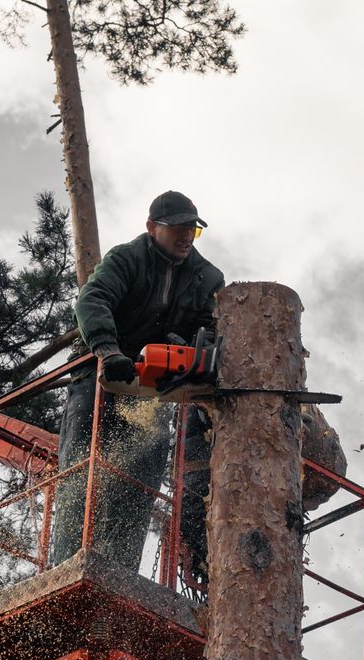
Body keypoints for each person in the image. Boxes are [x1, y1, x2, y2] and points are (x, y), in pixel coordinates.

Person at [53, 191, 224, 576]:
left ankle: (119, 572)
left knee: (140, 477)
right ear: (152, 228)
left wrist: (190, 349)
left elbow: (213, 329)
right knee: (82, 466)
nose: (185, 238)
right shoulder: (127, 259)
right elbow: (92, 299)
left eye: (192, 231)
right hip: (100, 375)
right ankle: (66, 567)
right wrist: (108, 350)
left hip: (151, 388)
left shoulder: (206, 277)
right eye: (178, 229)